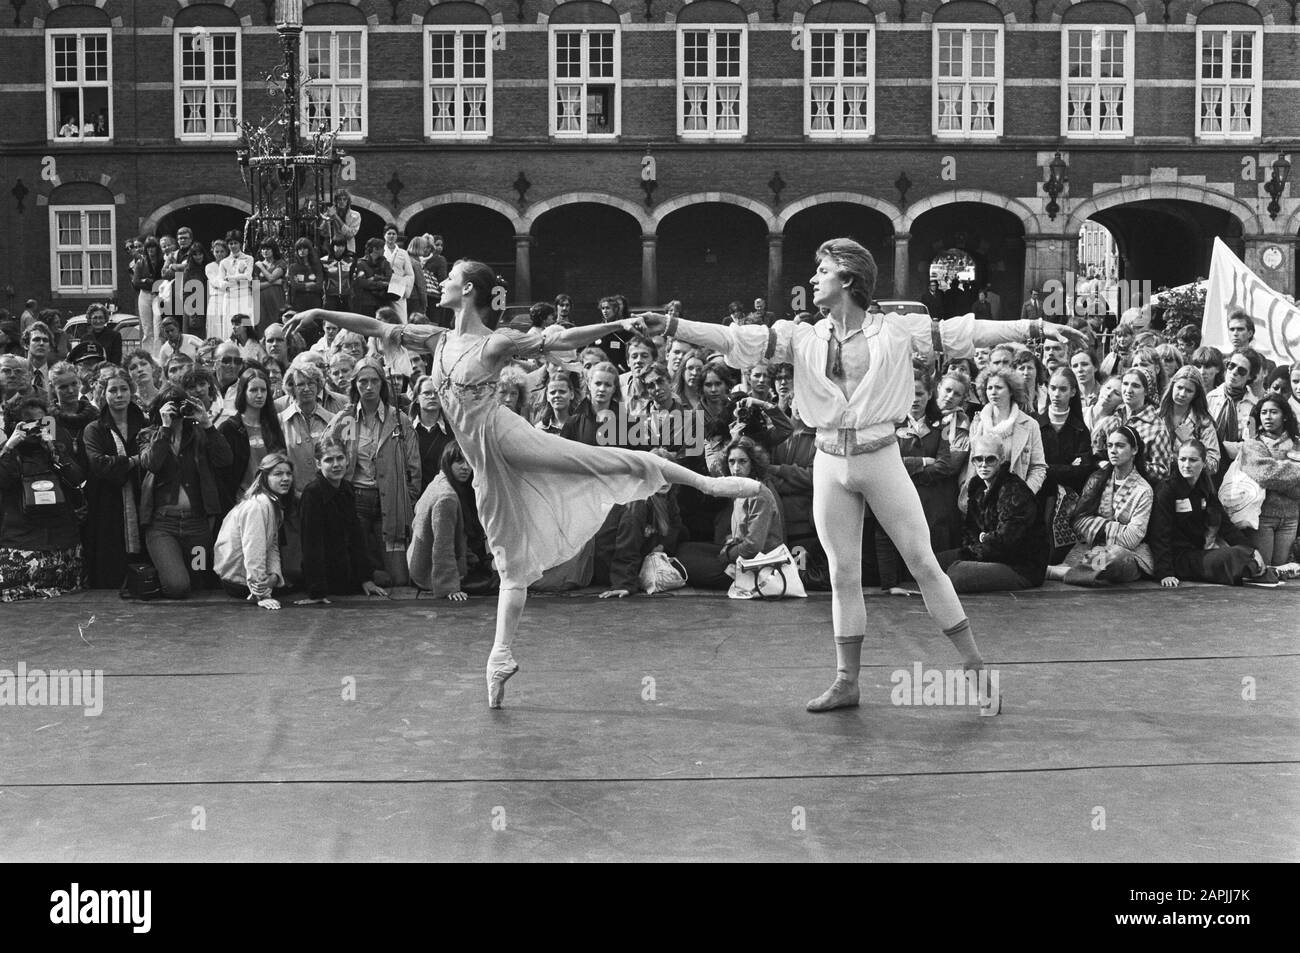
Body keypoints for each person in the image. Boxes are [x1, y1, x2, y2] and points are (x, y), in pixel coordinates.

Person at [288, 260, 759, 708]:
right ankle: (499, 658)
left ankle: (707, 484)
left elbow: (558, 338)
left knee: (598, 460)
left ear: (468, 290)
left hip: (505, 437)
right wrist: (318, 311)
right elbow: (373, 326)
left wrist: (617, 326)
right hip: (483, 463)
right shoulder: (434, 339)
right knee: (509, 559)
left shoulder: (493, 344)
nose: (442, 284)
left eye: (449, 278)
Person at [641, 238, 1084, 714]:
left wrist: (1034, 325)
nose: (813, 279)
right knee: (842, 575)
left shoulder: (895, 331)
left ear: (848, 280)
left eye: (823, 271)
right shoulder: (802, 336)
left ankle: (974, 667)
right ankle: (846, 681)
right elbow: (733, 340)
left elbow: (965, 332)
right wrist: (672, 325)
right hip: (829, 462)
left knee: (924, 563)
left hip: (881, 458)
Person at [139, 385, 232, 599]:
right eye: (171, 406)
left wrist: (207, 424)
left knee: (198, 580)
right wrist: (165, 428)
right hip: (163, 526)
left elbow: (225, 459)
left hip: (197, 526)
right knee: (178, 586)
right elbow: (151, 463)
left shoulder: (200, 434)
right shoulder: (148, 435)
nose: (177, 412)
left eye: (180, 405)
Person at [0, 395, 86, 602]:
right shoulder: (7, 453)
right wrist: (9, 447)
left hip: (61, 542)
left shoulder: (56, 449)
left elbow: (78, 480)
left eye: (41, 423)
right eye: (29, 424)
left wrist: (54, 450)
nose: (35, 429)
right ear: (14, 425)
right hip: (20, 541)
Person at [1150, 440, 1268, 588]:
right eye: (1182, 459)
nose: (1186, 465)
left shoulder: (1206, 488)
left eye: (1193, 460)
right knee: (1234, 557)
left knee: (1243, 553)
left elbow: (1226, 526)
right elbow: (1160, 534)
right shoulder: (1166, 490)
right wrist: (1165, 573)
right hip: (1177, 558)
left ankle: (1266, 571)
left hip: (1199, 553)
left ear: (1204, 462)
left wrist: (1253, 550)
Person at [938, 435, 1047, 592]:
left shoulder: (1014, 490)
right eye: (978, 459)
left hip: (1020, 567)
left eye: (990, 459)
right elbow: (970, 533)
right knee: (932, 564)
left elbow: (1007, 542)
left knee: (957, 574)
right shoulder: (976, 488)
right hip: (987, 556)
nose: (983, 465)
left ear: (1001, 459)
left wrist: (984, 539)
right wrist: (978, 544)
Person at [1049, 424, 1154, 587]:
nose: (1113, 450)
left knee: (1116, 555)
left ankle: (1060, 572)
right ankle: (1088, 573)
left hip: (1128, 555)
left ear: (1134, 450)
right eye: (1110, 445)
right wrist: (1117, 527)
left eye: (1120, 446)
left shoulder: (1143, 490)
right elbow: (1078, 521)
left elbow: (1131, 539)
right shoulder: (1097, 479)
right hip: (1091, 548)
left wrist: (1096, 524)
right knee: (1103, 556)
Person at [675, 436, 785, 590]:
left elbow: (753, 546)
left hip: (758, 565)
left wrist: (726, 555)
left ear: (753, 464)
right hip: (738, 554)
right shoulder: (739, 490)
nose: (736, 468)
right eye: (731, 461)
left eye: (742, 461)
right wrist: (728, 545)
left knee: (684, 564)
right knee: (684, 549)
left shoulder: (760, 493)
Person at [294, 436, 387, 604]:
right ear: (318, 464)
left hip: (348, 571)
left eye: (340, 458)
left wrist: (366, 578)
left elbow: (356, 538)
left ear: (347, 460)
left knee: (389, 579)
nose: (336, 464)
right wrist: (317, 592)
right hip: (326, 577)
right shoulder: (312, 494)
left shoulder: (347, 489)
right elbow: (311, 545)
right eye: (329, 460)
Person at [81, 367, 149, 588]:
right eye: (113, 390)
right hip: (106, 500)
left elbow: (155, 459)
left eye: (124, 389)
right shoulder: (94, 429)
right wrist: (134, 461)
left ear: (131, 391)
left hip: (142, 495)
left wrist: (123, 462)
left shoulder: (145, 424)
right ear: (104, 393)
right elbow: (99, 465)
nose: (119, 395)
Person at [213, 452, 295, 610]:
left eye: (288, 474)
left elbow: (272, 546)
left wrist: (274, 576)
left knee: (296, 578)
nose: (285, 478)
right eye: (278, 474)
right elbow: (253, 550)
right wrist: (261, 594)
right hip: (238, 583)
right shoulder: (258, 506)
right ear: (264, 477)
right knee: (299, 581)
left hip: (251, 578)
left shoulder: (273, 503)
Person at [1238, 395, 1300, 571]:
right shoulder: (1252, 444)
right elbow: (1266, 474)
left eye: (1273, 412)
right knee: (1263, 570)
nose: (1268, 417)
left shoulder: (1297, 443)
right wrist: (1296, 470)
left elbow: (1273, 477)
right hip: (1263, 518)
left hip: (1291, 518)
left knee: (1282, 571)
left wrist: (1279, 477)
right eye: (1264, 412)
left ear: (1285, 416)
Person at [407, 442, 472, 600]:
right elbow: (442, 547)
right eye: (459, 461)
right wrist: (450, 587)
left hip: (418, 564)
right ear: (447, 463)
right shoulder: (446, 498)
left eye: (469, 461)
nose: (466, 467)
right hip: (429, 574)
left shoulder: (439, 481)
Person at [218, 367, 288, 511]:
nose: (259, 395)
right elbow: (223, 476)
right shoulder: (229, 428)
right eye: (253, 390)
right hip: (240, 504)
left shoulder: (273, 425)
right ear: (243, 392)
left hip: (271, 502)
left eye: (263, 390)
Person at [280, 362, 336, 494]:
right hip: (293, 496)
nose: (306, 388)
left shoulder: (333, 420)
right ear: (291, 388)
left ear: (318, 386)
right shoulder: (280, 421)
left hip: (328, 495)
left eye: (311, 383)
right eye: (300, 384)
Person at [220, 232, 256, 323]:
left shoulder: (248, 259)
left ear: (240, 243)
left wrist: (230, 278)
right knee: (229, 323)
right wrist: (227, 283)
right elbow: (221, 282)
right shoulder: (224, 262)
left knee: (245, 322)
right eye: (230, 243)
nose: (233, 246)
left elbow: (248, 276)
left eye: (235, 243)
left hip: (244, 295)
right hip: (229, 297)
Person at [287, 237, 325, 314]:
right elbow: (295, 286)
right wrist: (310, 285)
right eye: (299, 249)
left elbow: (319, 285)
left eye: (304, 248)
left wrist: (302, 286)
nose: (302, 251)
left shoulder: (317, 266)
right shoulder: (293, 267)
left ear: (309, 250)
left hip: (315, 302)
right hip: (298, 302)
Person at [255, 240, 286, 332]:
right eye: (263, 249)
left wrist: (261, 267)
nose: (265, 251)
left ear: (274, 250)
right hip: (260, 301)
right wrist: (276, 282)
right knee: (261, 325)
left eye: (268, 249)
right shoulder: (256, 265)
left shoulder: (280, 263)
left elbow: (271, 277)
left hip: (276, 298)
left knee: (276, 324)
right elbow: (255, 286)